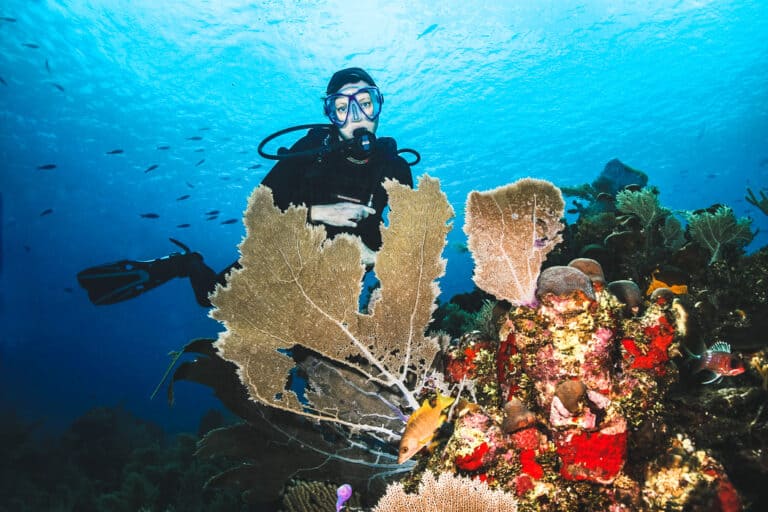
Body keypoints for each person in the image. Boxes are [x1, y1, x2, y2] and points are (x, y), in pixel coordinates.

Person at [77, 67, 415, 308]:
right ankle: (184, 264)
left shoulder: (395, 169)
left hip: (338, 273)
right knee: (212, 299)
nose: (356, 115)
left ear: (378, 106)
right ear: (331, 115)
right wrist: (318, 213)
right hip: (281, 250)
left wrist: (375, 258)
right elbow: (259, 209)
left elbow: (407, 243)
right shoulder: (311, 152)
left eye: (365, 103)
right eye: (342, 108)